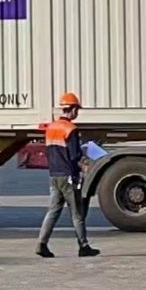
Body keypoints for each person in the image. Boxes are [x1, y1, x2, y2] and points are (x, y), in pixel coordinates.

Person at [36, 91, 100, 258]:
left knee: (53, 211)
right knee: (77, 213)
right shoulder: (71, 129)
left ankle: (41, 244)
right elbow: (74, 155)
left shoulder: (51, 128)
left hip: (54, 175)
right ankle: (83, 246)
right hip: (68, 176)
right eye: (77, 110)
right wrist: (83, 152)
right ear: (72, 109)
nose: (77, 113)